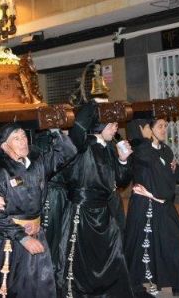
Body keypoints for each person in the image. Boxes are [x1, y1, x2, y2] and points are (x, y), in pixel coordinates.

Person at [0, 123, 78, 298]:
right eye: (16, 138)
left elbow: (68, 151)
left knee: (39, 287)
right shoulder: (0, 172)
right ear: (4, 146)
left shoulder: (38, 164)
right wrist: (22, 237)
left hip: (37, 235)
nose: (23, 141)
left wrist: (55, 130)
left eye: (24, 136)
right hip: (11, 242)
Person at [55, 101, 134, 297]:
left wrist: (123, 160)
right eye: (112, 123)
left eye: (117, 124)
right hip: (82, 213)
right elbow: (79, 127)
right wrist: (94, 104)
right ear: (99, 125)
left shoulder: (108, 147)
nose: (116, 127)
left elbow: (120, 181)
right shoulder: (82, 145)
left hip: (104, 212)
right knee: (83, 260)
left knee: (111, 255)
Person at [124, 118, 179, 297]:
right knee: (141, 247)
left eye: (166, 127)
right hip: (144, 206)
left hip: (165, 206)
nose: (164, 130)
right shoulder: (139, 150)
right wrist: (145, 139)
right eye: (160, 126)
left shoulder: (165, 150)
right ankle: (135, 288)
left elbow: (174, 172)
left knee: (177, 242)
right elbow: (148, 158)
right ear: (147, 130)